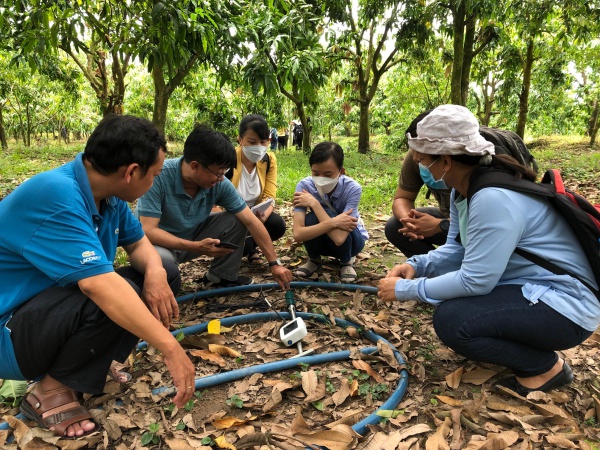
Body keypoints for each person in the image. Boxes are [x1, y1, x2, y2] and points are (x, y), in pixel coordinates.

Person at [378, 105, 600, 396]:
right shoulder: (464, 190)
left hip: (567, 305)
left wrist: (408, 289)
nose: (419, 167)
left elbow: (475, 279)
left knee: (454, 320)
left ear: (445, 161)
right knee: (455, 310)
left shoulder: (492, 198)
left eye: (422, 160)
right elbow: (456, 250)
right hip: (531, 288)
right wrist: (417, 265)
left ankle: (545, 368)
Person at [0, 115, 196, 438]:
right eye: (155, 175)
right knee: (108, 295)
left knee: (163, 272)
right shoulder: (58, 195)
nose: (155, 182)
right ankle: (47, 392)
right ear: (131, 172)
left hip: (46, 311)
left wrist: (158, 273)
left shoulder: (109, 196)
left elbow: (139, 244)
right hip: (9, 331)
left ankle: (95, 360)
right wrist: (171, 349)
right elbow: (97, 286)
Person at [135, 124, 292, 290]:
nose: (221, 178)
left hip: (193, 234)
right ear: (195, 166)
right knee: (163, 267)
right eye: (218, 173)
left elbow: (251, 221)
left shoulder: (219, 183)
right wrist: (195, 246)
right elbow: (148, 230)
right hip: (159, 243)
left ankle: (220, 277)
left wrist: (275, 264)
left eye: (224, 172)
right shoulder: (159, 176)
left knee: (237, 219)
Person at [385, 111, 534, 258]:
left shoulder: (488, 195)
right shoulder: (456, 193)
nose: (416, 158)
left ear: (445, 160)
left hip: (491, 233)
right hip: (458, 224)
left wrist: (441, 225)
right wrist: (411, 224)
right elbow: (402, 198)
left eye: (421, 157)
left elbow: (475, 278)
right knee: (395, 227)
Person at [292, 142, 368, 283]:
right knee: (311, 218)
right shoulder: (304, 186)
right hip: (324, 241)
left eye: (328, 174)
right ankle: (314, 259)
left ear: (341, 172)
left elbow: (339, 238)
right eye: (315, 173)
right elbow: (298, 234)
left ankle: (346, 262)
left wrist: (315, 204)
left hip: (352, 242)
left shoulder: (353, 188)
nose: (321, 178)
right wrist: (334, 222)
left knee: (336, 219)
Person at [228, 115, 287, 263]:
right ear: (240, 139)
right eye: (252, 142)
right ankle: (247, 248)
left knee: (277, 225)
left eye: (263, 142)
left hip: (256, 213)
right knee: (243, 245)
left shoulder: (269, 160)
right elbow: (215, 201)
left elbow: (269, 196)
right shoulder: (228, 158)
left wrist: (261, 219)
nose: (258, 147)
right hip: (231, 216)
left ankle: (251, 246)